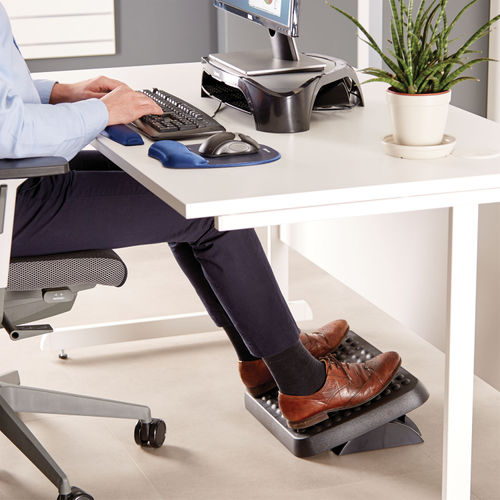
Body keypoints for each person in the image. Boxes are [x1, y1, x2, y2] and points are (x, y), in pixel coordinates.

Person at [0, 3, 400, 430]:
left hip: (14, 186)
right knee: (209, 215)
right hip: (15, 202)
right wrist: (103, 112)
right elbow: (9, 132)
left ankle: (263, 357)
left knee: (177, 191)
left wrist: (58, 93)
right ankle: (304, 384)